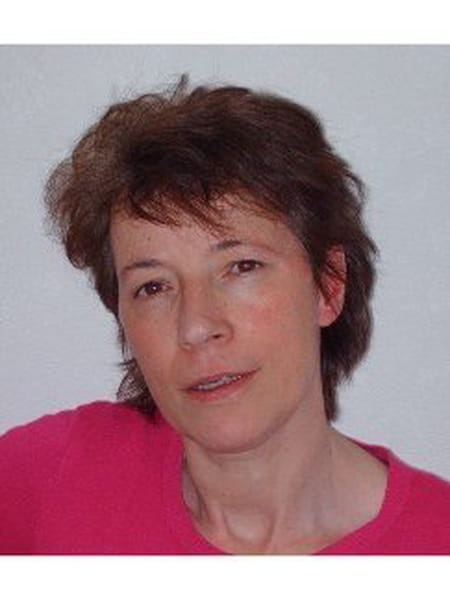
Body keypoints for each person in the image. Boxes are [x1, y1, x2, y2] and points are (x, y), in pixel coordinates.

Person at [0, 76, 448, 555]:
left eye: (241, 267)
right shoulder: (45, 482)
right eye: (153, 287)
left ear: (328, 285)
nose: (196, 326)